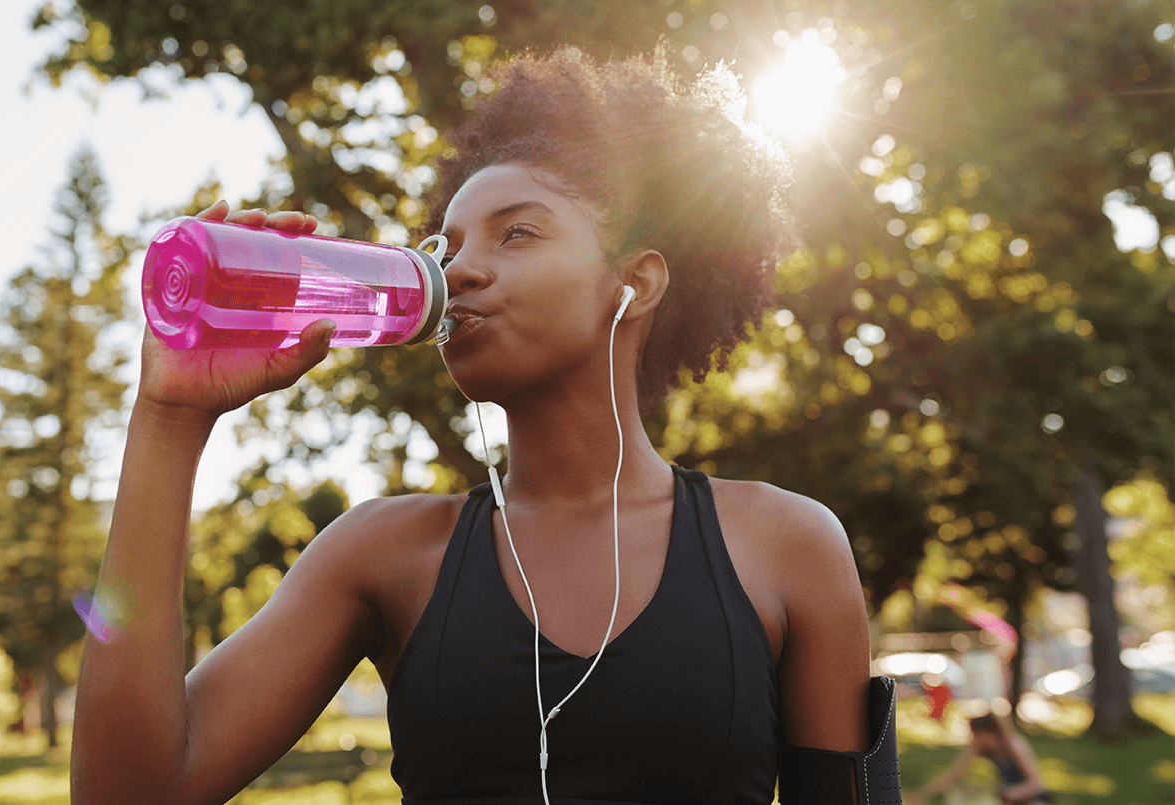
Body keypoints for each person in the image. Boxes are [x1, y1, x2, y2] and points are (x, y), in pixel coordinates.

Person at [72, 46, 895, 805]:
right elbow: (127, 793)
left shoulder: (785, 545)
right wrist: (168, 416)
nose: (457, 268)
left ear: (634, 284)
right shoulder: (384, 554)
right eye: (447, 243)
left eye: (519, 232)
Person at [907, 714, 1052, 805]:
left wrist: (1010, 794)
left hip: (1031, 796)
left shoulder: (1014, 744)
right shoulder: (982, 747)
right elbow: (953, 775)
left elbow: (1036, 785)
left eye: (977, 735)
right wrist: (922, 795)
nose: (974, 740)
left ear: (989, 732)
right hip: (1004, 797)